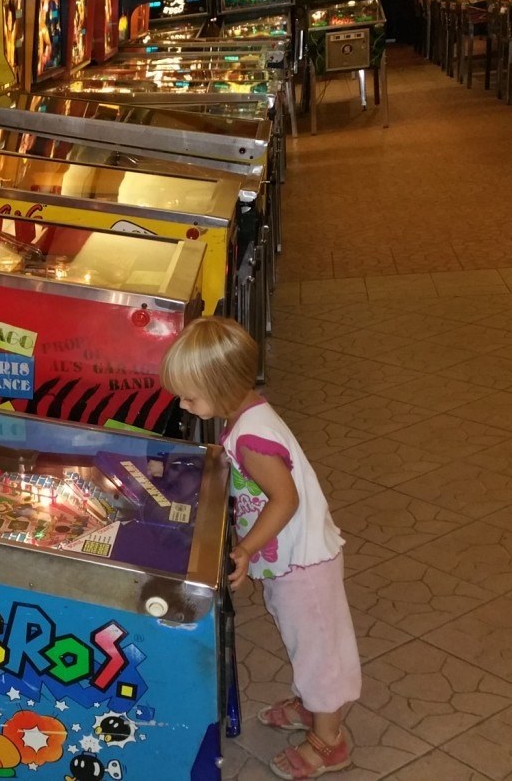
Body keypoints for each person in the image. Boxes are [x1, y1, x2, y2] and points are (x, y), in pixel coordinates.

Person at [161, 316, 361, 780]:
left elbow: (285, 499)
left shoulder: (253, 440)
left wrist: (247, 549)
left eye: (190, 396)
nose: (183, 404)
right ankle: (314, 707)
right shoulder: (246, 412)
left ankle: (329, 740)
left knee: (319, 652)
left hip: (304, 564)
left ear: (223, 385)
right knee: (305, 641)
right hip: (289, 559)